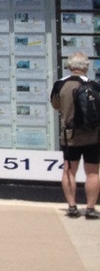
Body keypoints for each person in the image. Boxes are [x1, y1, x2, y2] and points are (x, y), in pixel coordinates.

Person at [52, 51, 100, 219]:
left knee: (69, 170)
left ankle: (72, 206)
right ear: (86, 66)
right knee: (93, 173)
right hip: (92, 135)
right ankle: (91, 208)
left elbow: (56, 106)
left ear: (70, 66)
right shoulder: (94, 85)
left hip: (69, 136)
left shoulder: (60, 85)